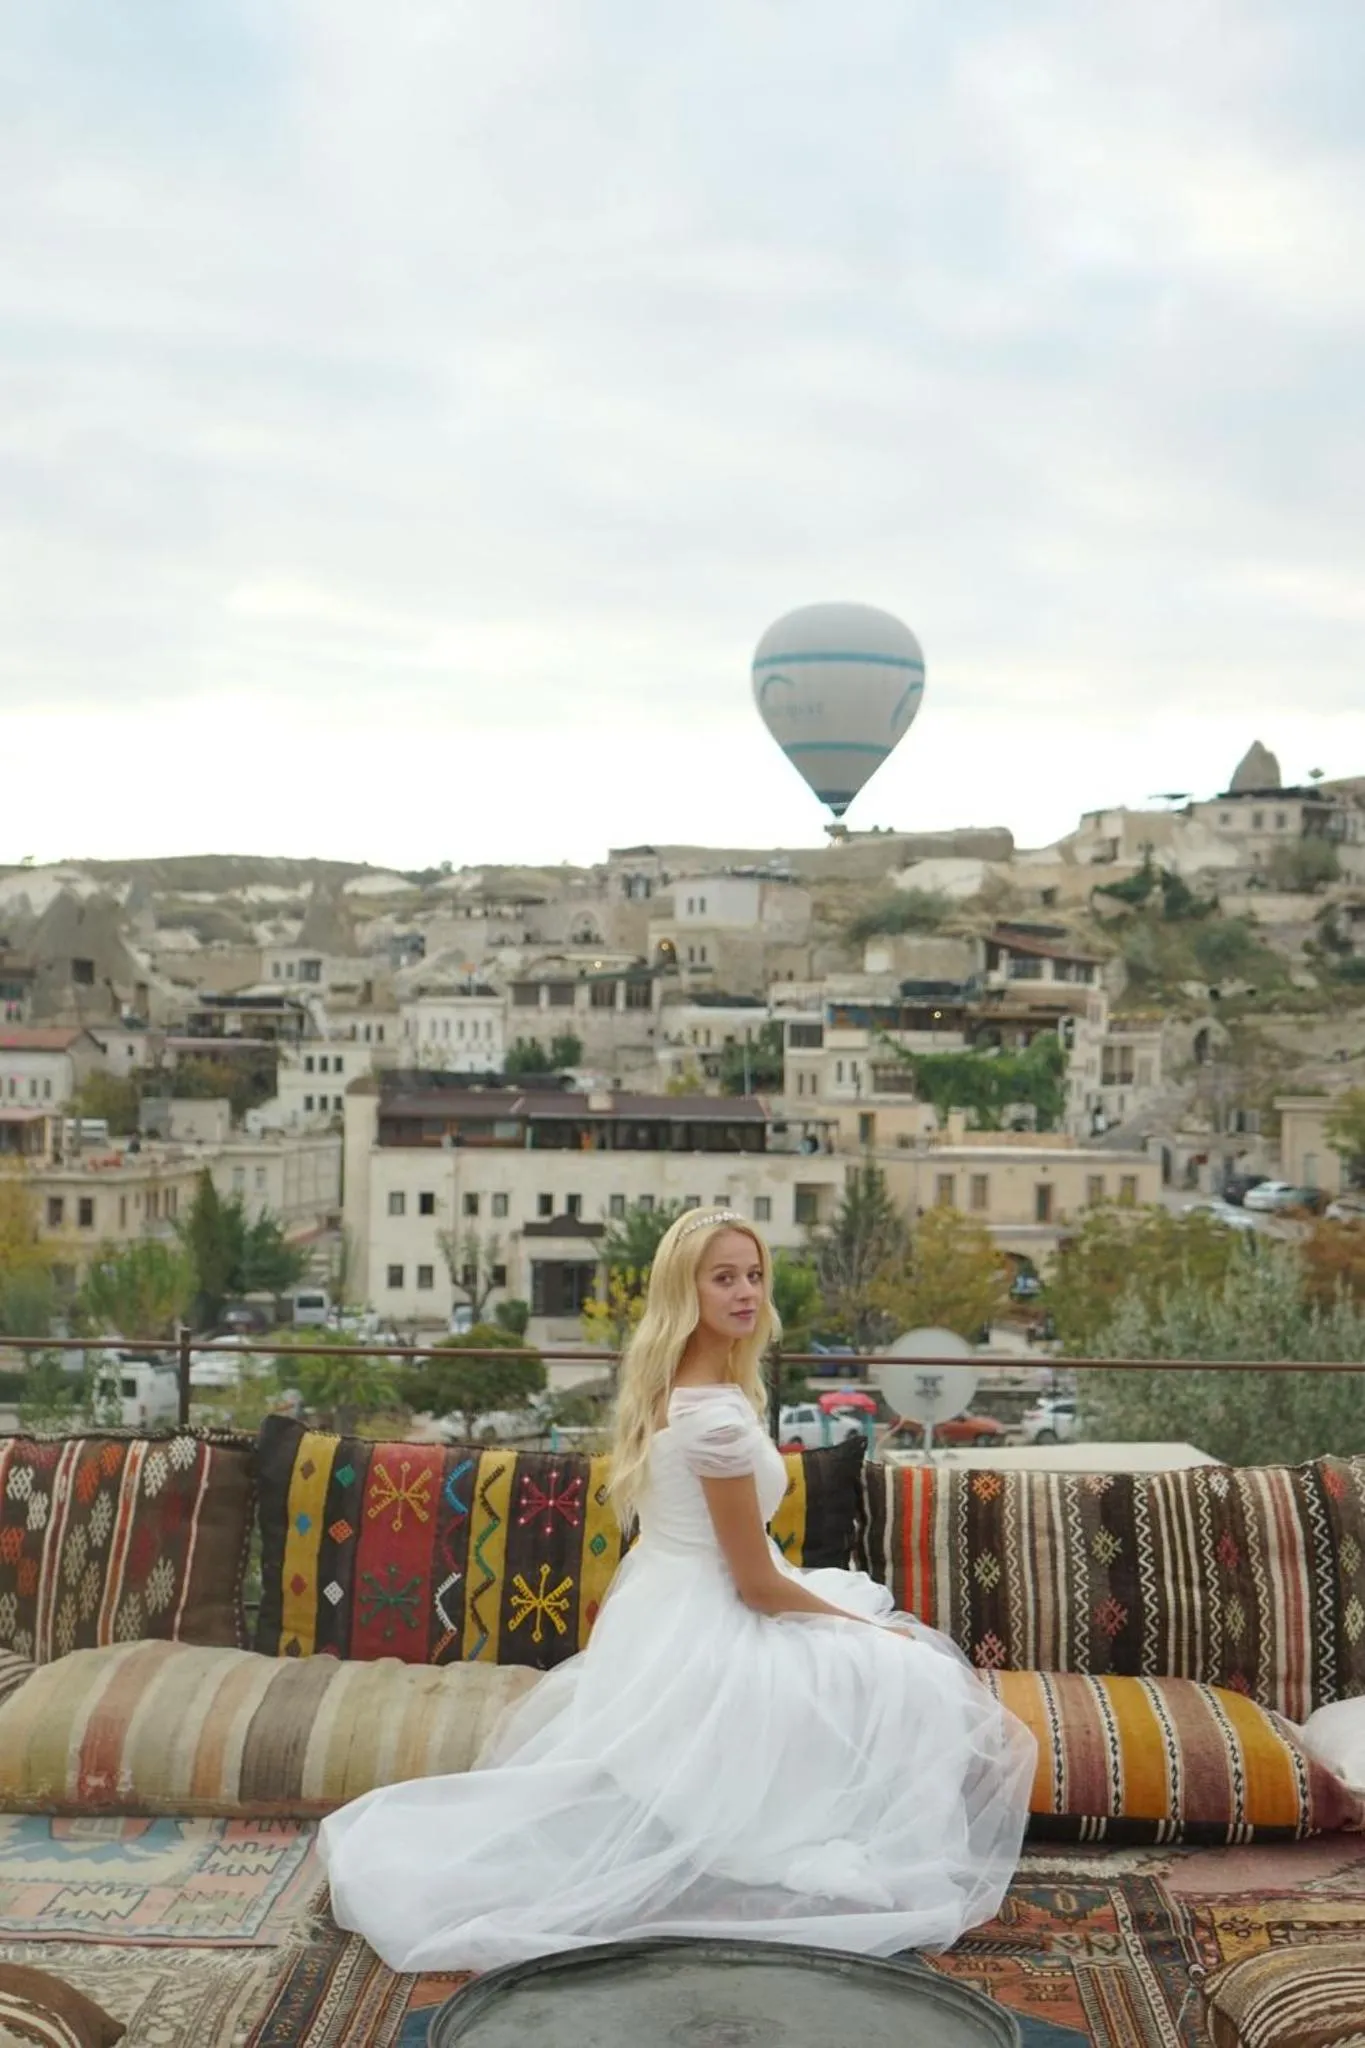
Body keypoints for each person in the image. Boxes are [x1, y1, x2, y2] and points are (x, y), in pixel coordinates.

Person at [319, 1208, 1036, 1973]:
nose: (746, 1292)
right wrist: (869, 1632)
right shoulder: (712, 1419)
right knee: (912, 1673)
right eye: (723, 1278)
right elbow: (756, 1585)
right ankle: (823, 1841)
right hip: (721, 1615)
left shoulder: (692, 1387)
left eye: (753, 1275)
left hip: (672, 1602)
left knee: (887, 1663)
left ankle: (794, 1829)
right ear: (682, 1290)